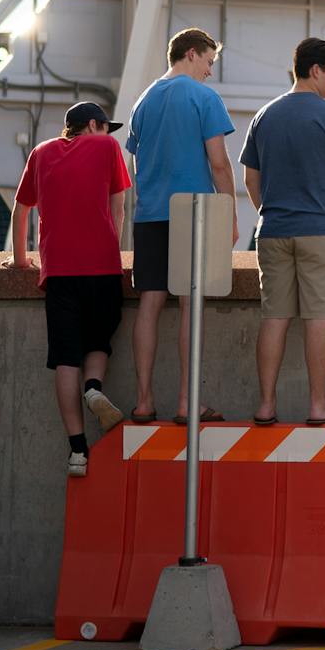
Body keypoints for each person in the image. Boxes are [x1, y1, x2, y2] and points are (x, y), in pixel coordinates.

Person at [241, 37, 325, 425]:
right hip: (322, 231)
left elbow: (250, 179)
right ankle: (318, 407)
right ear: (316, 70)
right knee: (319, 316)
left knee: (275, 316)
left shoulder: (264, 115)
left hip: (274, 230)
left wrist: (269, 212)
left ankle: (266, 405)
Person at [6, 101, 131, 478]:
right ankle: (94, 388)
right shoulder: (107, 146)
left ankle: (77, 451)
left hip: (59, 271)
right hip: (101, 266)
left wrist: (20, 260)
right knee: (99, 341)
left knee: (65, 358)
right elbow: (118, 208)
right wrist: (114, 247)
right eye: (106, 126)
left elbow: (21, 209)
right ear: (93, 125)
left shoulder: (41, 153)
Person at [122, 27, 236, 425]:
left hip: (150, 212)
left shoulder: (143, 101)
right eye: (208, 61)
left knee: (149, 305)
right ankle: (188, 402)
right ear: (191, 53)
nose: (209, 71)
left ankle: (143, 400)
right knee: (190, 307)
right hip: (194, 211)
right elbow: (219, 163)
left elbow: (136, 162)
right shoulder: (204, 97)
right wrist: (231, 213)